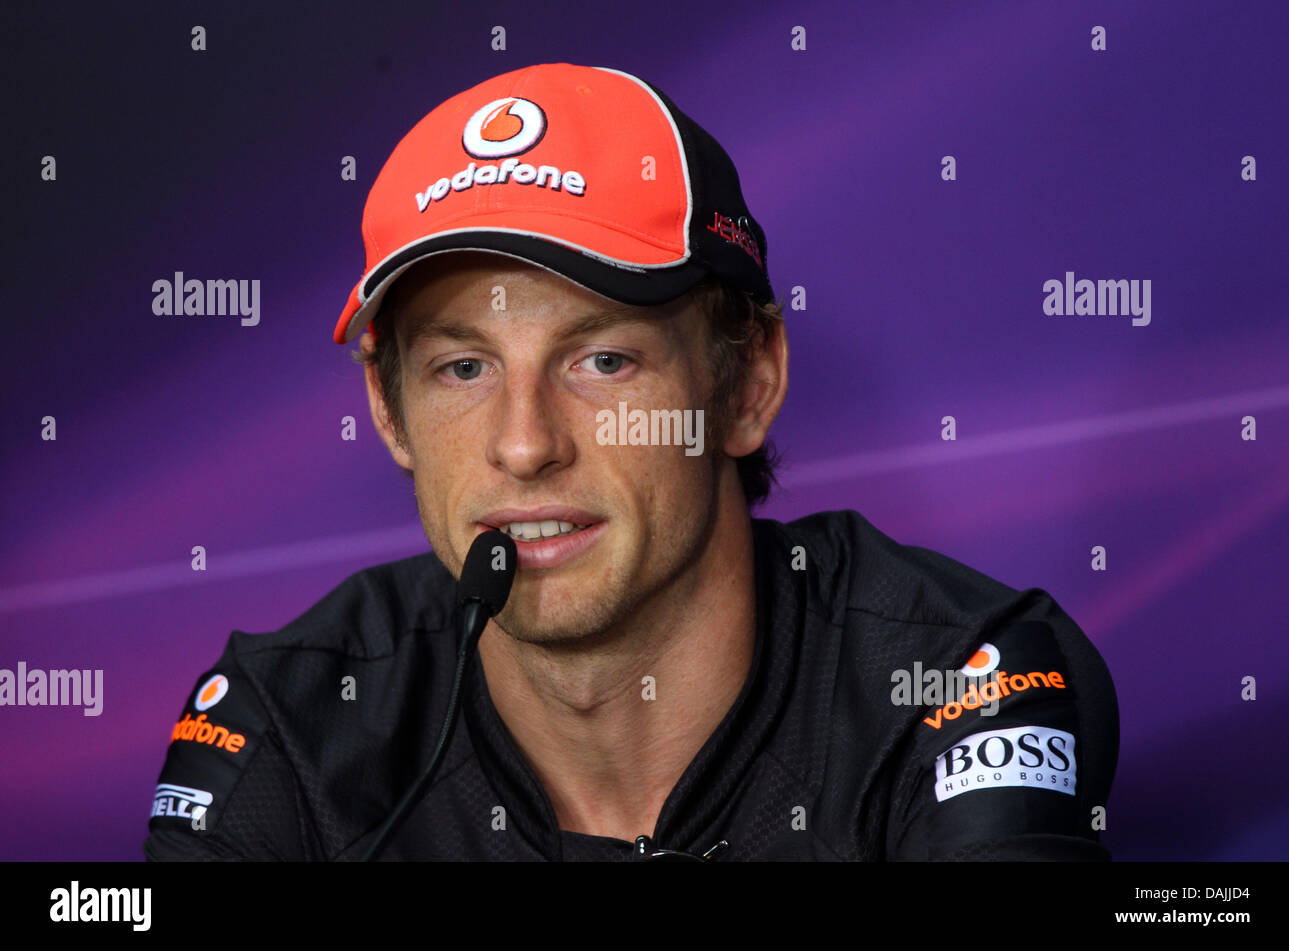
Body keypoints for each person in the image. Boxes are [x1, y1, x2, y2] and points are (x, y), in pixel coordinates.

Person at [144, 62, 1118, 861]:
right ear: (387, 413)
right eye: (462, 366)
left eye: (603, 359)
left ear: (747, 385)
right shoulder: (293, 720)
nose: (524, 444)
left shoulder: (956, 678)